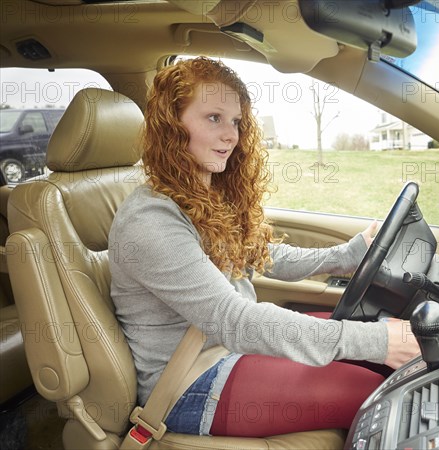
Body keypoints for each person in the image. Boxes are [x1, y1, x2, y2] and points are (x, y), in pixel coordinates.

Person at [108, 56, 420, 438]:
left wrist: (350, 255)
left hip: (231, 350)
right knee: (378, 393)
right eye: (213, 118)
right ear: (172, 124)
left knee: (383, 352)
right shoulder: (149, 220)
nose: (231, 135)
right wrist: (378, 341)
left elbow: (264, 257)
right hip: (190, 383)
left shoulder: (206, 196)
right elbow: (234, 319)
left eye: (236, 121)